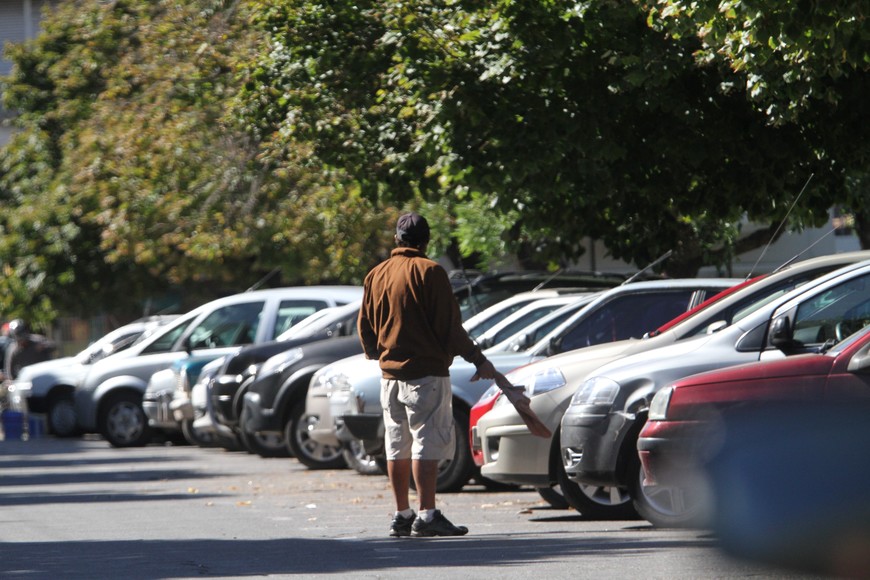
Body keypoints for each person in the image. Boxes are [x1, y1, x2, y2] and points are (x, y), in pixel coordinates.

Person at [358, 212, 498, 538]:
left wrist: (379, 354)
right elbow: (449, 328)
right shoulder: (431, 272)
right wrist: (479, 360)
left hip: (389, 377)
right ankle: (427, 514)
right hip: (426, 375)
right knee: (426, 443)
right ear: (426, 241)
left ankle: (401, 514)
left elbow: (364, 325)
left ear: (396, 239)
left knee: (397, 446)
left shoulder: (376, 274)